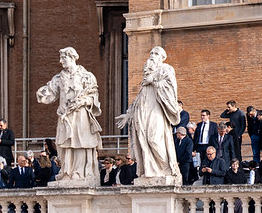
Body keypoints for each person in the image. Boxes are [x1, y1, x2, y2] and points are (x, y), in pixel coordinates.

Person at [36, 47, 103, 184]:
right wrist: (42, 93)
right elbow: (50, 93)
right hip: (65, 116)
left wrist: (83, 101)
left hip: (80, 114)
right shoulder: (59, 78)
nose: (61, 62)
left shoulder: (86, 76)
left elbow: (94, 97)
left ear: (72, 57)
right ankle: (67, 172)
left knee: (80, 143)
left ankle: (80, 172)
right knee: (65, 144)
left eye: (63, 58)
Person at [116, 46, 181, 180]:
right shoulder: (146, 77)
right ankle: (150, 171)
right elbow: (140, 98)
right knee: (144, 141)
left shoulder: (166, 69)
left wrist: (154, 81)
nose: (152, 55)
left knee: (154, 139)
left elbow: (171, 89)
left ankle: (165, 169)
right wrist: (129, 114)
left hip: (157, 110)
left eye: (156, 53)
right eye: (151, 53)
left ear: (162, 57)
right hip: (143, 112)